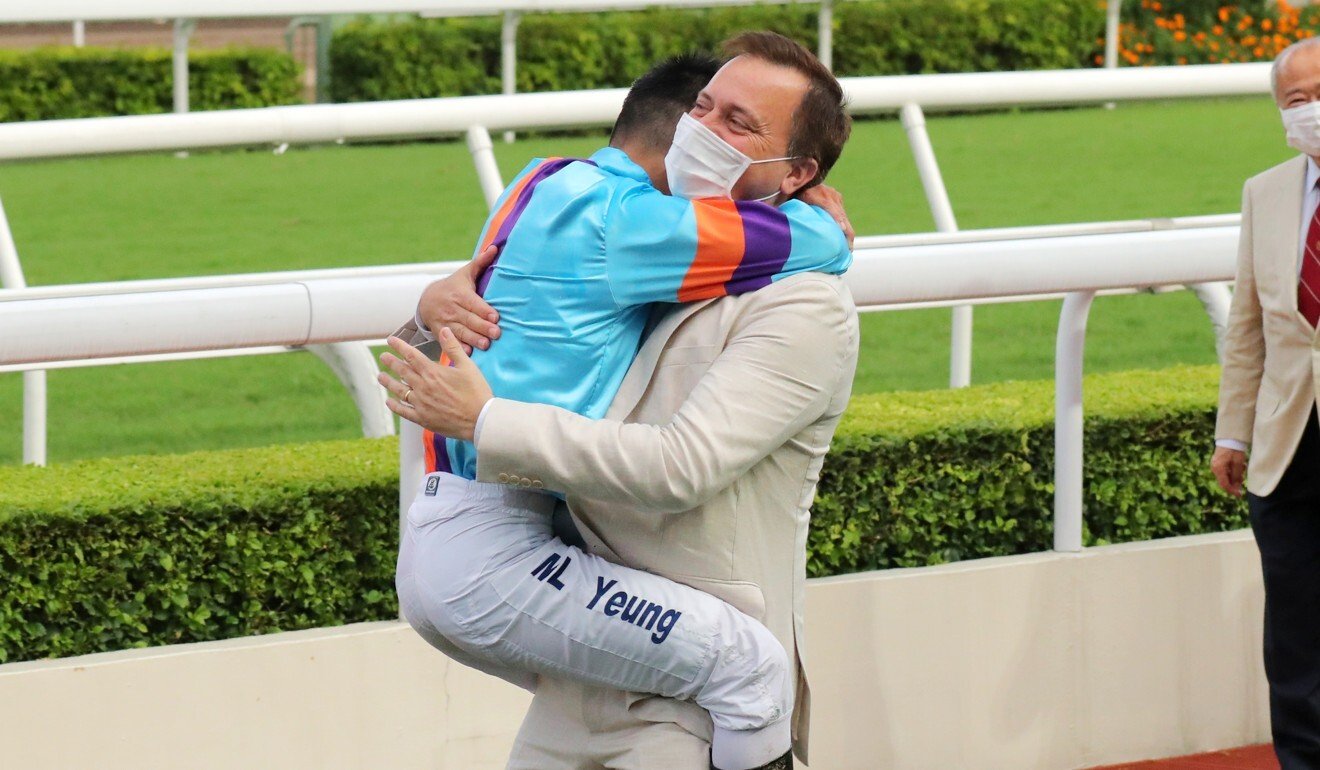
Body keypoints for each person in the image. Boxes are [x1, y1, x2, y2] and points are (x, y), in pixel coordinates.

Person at [383, 33, 856, 769]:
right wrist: (434, 307)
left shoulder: (554, 184)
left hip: (672, 698)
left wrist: (475, 402)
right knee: (748, 670)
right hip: (541, 599)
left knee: (753, 669)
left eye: (737, 123)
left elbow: (680, 466)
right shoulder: (642, 231)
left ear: (795, 171)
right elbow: (815, 240)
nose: (704, 129)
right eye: (703, 107)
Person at [1213, 38, 1320, 769]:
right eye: (1296, 100)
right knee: (1295, 633)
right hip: (1287, 454)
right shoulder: (1267, 191)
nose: (1310, 111)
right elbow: (1247, 329)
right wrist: (1233, 435)